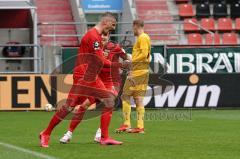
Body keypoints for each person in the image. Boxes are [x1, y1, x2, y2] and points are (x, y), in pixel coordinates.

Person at [39, 12, 130, 147]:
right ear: (105, 22)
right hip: (85, 77)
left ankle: (103, 137)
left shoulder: (96, 36)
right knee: (71, 107)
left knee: (105, 102)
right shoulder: (93, 37)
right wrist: (121, 65)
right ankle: (46, 133)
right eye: (112, 25)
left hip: (90, 77)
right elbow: (100, 61)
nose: (112, 29)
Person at [59, 32, 131, 144]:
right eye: (101, 35)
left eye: (105, 35)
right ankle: (69, 133)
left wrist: (128, 61)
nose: (103, 37)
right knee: (84, 105)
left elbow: (127, 58)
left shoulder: (115, 47)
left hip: (112, 82)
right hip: (98, 81)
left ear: (109, 37)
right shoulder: (95, 47)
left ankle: (101, 133)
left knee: (108, 103)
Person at [116, 19, 151, 134]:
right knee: (138, 99)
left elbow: (144, 54)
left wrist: (131, 61)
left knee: (125, 96)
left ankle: (126, 124)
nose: (132, 30)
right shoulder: (144, 38)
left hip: (137, 72)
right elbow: (146, 55)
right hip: (143, 72)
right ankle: (140, 127)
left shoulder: (142, 37)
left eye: (133, 28)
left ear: (136, 26)